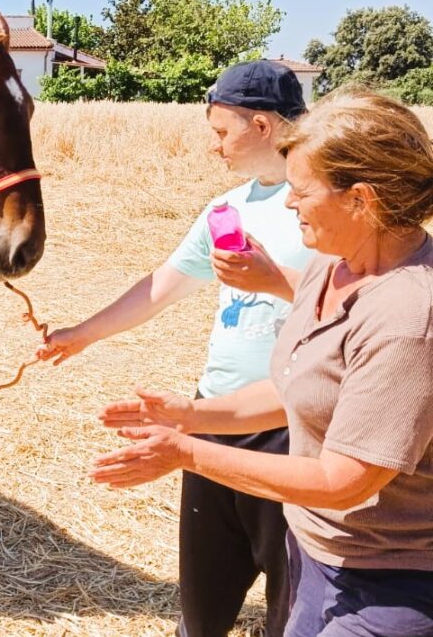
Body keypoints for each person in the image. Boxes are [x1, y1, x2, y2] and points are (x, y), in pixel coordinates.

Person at [92, 88, 433, 637]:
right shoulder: (333, 264)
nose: (290, 204)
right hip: (319, 556)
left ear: (360, 200)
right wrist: (191, 416)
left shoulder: (408, 315)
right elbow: (299, 385)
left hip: (387, 583)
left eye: (301, 191)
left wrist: (188, 454)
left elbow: (345, 480)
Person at [38, 60, 313, 637]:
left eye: (221, 131)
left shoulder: (319, 206)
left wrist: (274, 278)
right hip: (210, 414)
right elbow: (165, 283)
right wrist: (82, 333)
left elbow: (356, 301)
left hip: (294, 427)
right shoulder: (225, 209)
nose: (214, 147)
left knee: (293, 604)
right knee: (204, 599)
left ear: (262, 126)